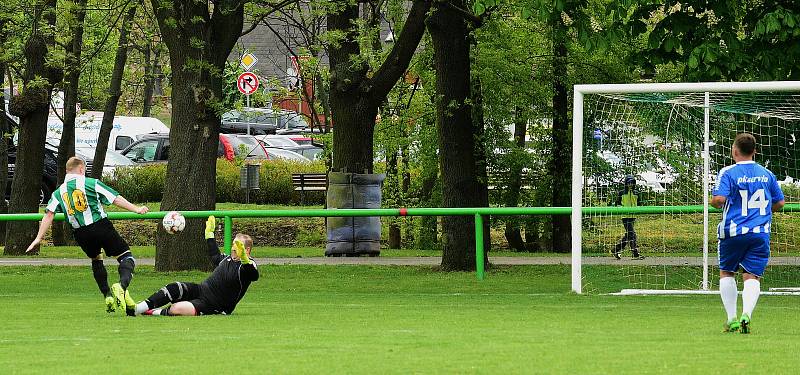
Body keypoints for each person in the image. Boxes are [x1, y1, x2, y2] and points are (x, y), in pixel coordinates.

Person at [26, 156, 149, 313]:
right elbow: (115, 199)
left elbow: (49, 214)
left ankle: (107, 296)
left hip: (80, 233)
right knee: (126, 256)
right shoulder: (91, 183)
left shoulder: (59, 192)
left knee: (96, 259)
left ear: (67, 171)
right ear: (82, 169)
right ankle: (121, 286)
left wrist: (38, 238)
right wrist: (136, 209)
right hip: (100, 226)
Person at [711, 133, 784, 334]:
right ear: (754, 152)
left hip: (732, 231)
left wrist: (720, 201)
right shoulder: (767, 174)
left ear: (735, 151)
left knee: (727, 272)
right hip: (760, 232)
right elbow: (779, 203)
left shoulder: (728, 172)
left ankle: (731, 318)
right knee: (751, 276)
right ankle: (747, 315)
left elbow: (718, 200)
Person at [127, 216, 259, 316]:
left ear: (247, 250)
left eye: (238, 245)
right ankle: (137, 308)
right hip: (201, 290)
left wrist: (245, 258)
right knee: (174, 288)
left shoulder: (247, 265)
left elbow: (254, 275)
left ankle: (150, 312)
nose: (234, 248)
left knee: (176, 308)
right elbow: (215, 256)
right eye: (234, 244)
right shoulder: (227, 259)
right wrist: (209, 235)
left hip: (215, 305)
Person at [612, 175, 644, 260]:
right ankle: (635, 253)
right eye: (629, 183)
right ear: (626, 183)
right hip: (625, 216)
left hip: (633, 216)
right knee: (632, 234)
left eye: (632, 183)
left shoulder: (636, 193)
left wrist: (639, 209)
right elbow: (617, 203)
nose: (630, 184)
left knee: (629, 235)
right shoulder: (622, 193)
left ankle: (616, 249)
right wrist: (620, 208)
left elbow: (640, 204)